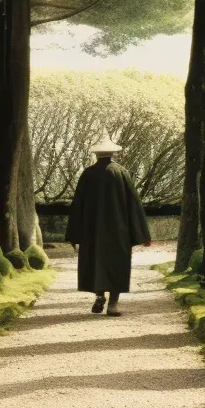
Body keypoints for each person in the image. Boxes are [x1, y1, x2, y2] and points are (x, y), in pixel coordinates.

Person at [66, 132, 151, 316]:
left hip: (92, 230)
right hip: (118, 230)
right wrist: (142, 233)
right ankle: (113, 303)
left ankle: (99, 296)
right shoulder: (121, 172)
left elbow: (78, 205)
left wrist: (74, 234)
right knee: (117, 264)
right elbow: (133, 204)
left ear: (96, 155)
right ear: (113, 154)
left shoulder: (88, 174)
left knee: (96, 263)